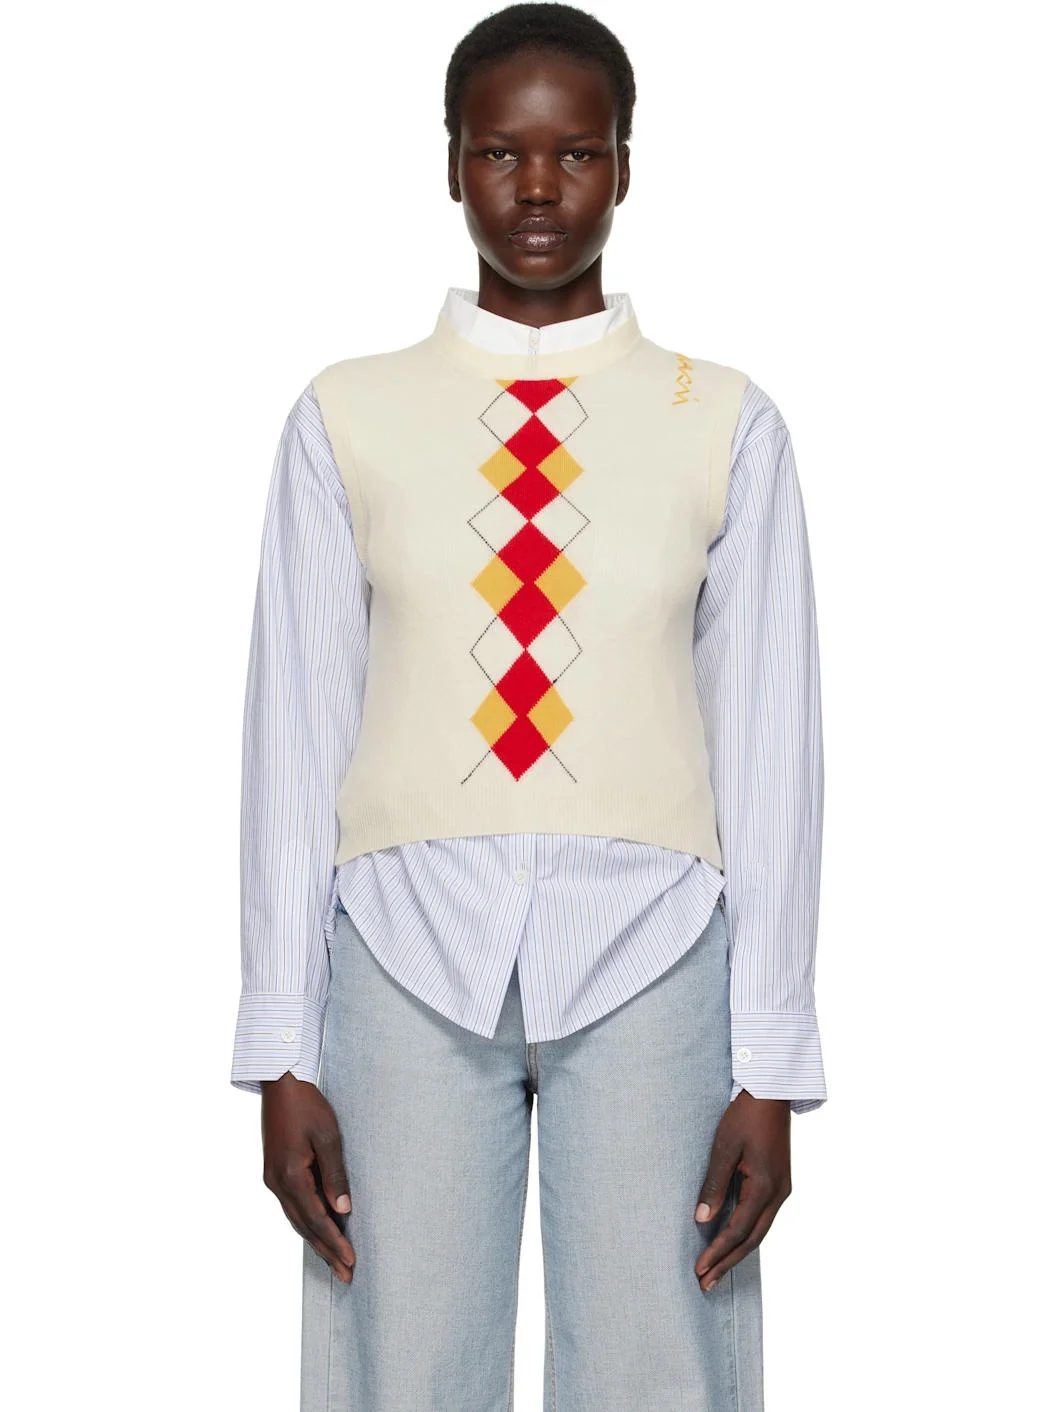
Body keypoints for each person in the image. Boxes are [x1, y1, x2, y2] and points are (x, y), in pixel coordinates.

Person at [230, 4, 826, 1407]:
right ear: (452, 163)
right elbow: (293, 738)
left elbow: (770, 750)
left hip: (657, 948)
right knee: (401, 1365)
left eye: (577, 152)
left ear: (625, 164)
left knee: (659, 1364)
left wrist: (771, 1062)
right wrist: (281, 1047)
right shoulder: (346, 416)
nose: (540, 188)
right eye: (502, 152)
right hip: (399, 948)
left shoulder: (723, 420)